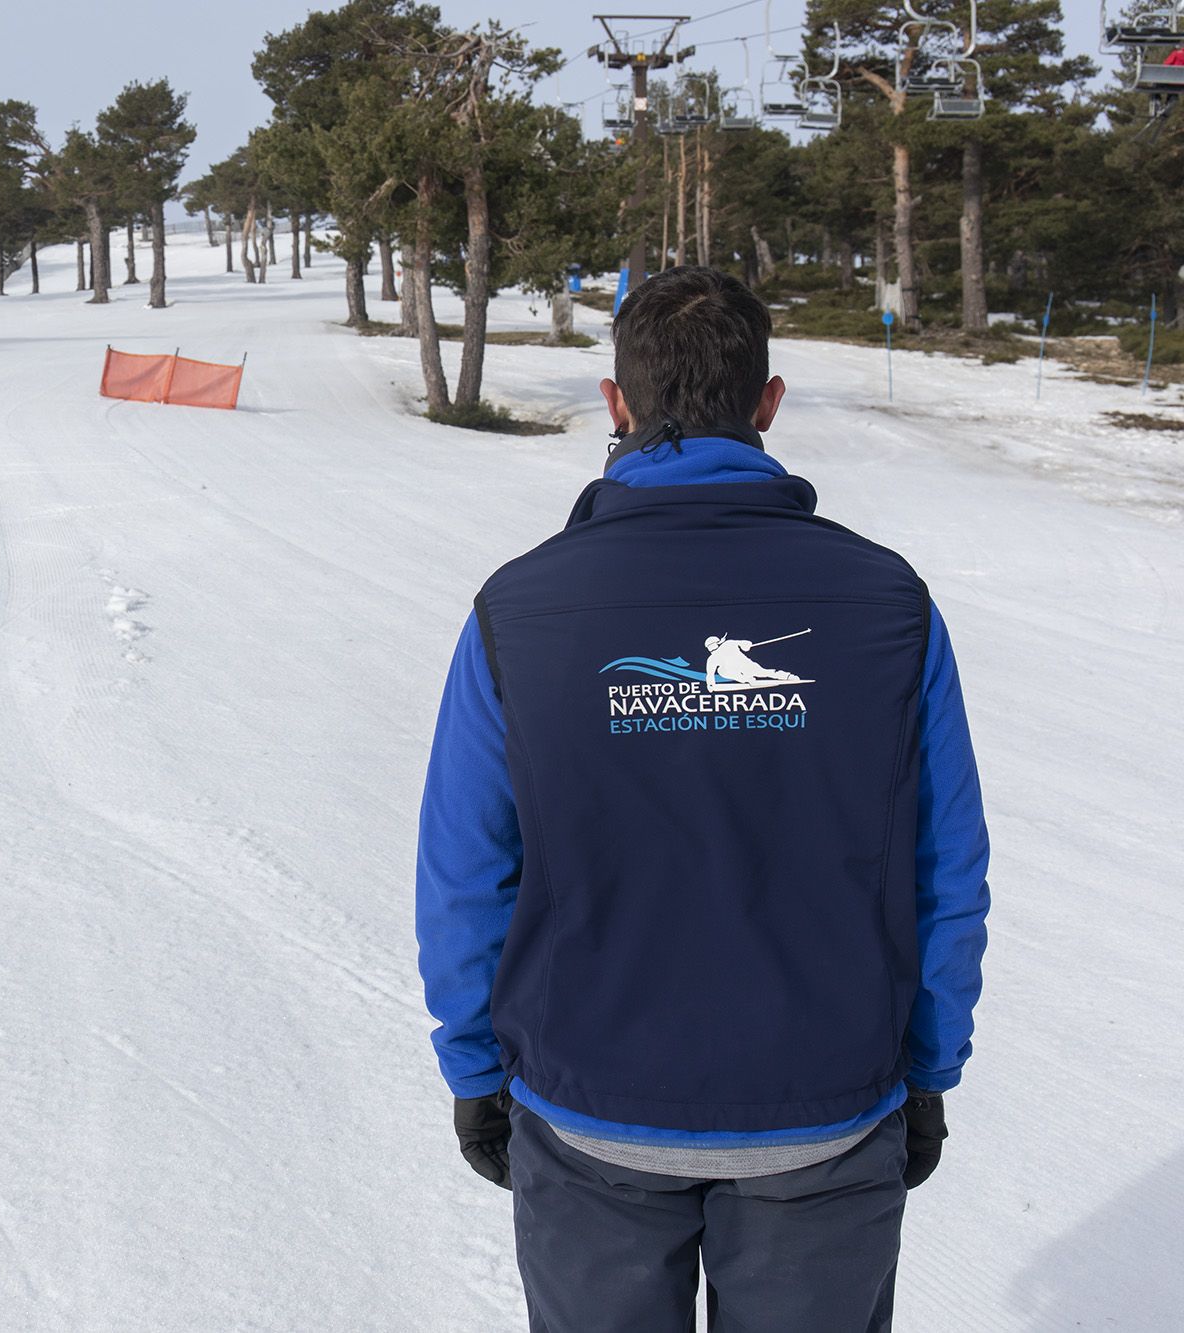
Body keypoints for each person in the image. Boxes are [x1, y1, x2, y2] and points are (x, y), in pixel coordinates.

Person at [415, 265, 991, 1331]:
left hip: (588, 1110)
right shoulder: (886, 604)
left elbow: (464, 871)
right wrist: (926, 1066)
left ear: (615, 405)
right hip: (825, 1107)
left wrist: (471, 1064)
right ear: (766, 403)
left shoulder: (519, 607)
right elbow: (942, 863)